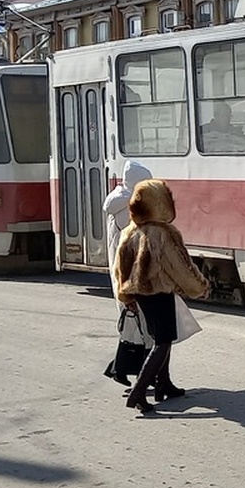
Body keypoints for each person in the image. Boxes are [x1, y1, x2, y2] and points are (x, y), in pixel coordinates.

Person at [113, 179, 210, 415]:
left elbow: (120, 268)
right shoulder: (164, 233)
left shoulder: (130, 231)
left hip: (140, 293)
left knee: (160, 337)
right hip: (159, 292)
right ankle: (139, 392)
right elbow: (181, 267)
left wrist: (126, 295)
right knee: (162, 342)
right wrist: (201, 287)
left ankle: (163, 383)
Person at [101, 160, 152, 387]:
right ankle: (123, 370)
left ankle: (124, 370)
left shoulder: (119, 201)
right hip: (129, 277)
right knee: (138, 327)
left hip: (123, 274)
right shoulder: (127, 209)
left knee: (135, 328)